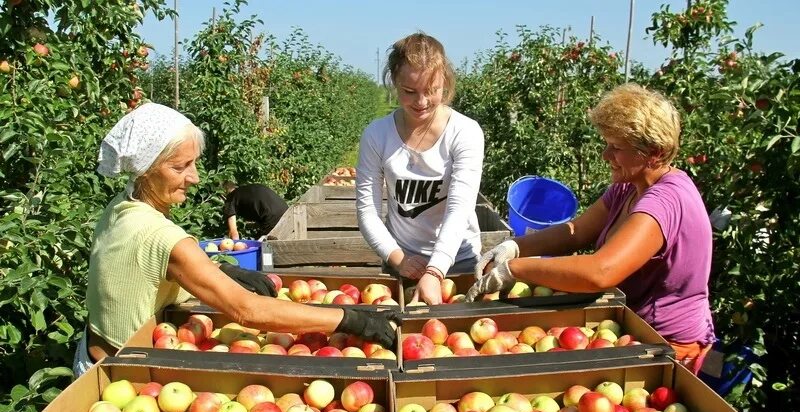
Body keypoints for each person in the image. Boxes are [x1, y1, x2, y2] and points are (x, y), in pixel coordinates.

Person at [73, 103, 398, 376]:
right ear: (145, 169)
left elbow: (143, 270)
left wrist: (218, 271)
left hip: (93, 351)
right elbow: (246, 310)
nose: (195, 177)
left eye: (194, 163)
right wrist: (349, 319)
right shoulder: (161, 236)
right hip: (119, 375)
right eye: (180, 167)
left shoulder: (122, 205)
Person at [466, 83, 715, 374]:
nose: (605, 155)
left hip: (664, 343)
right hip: (625, 330)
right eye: (606, 143)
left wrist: (517, 269)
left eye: (616, 147)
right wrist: (516, 246)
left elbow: (601, 272)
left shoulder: (665, 201)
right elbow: (577, 231)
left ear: (654, 153)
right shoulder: (629, 187)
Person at [356, 32, 485, 305]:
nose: (422, 101)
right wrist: (397, 258)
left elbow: (459, 208)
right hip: (402, 262)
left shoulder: (464, 132)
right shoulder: (377, 135)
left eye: (432, 90)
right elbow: (367, 209)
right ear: (394, 83)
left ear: (445, 83)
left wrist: (436, 270)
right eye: (409, 91)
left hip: (457, 263)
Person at [222, 180, 288, 240]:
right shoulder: (247, 190)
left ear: (223, 194)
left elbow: (234, 233)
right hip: (287, 212)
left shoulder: (231, 198)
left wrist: (234, 247)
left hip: (271, 217)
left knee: (263, 247)